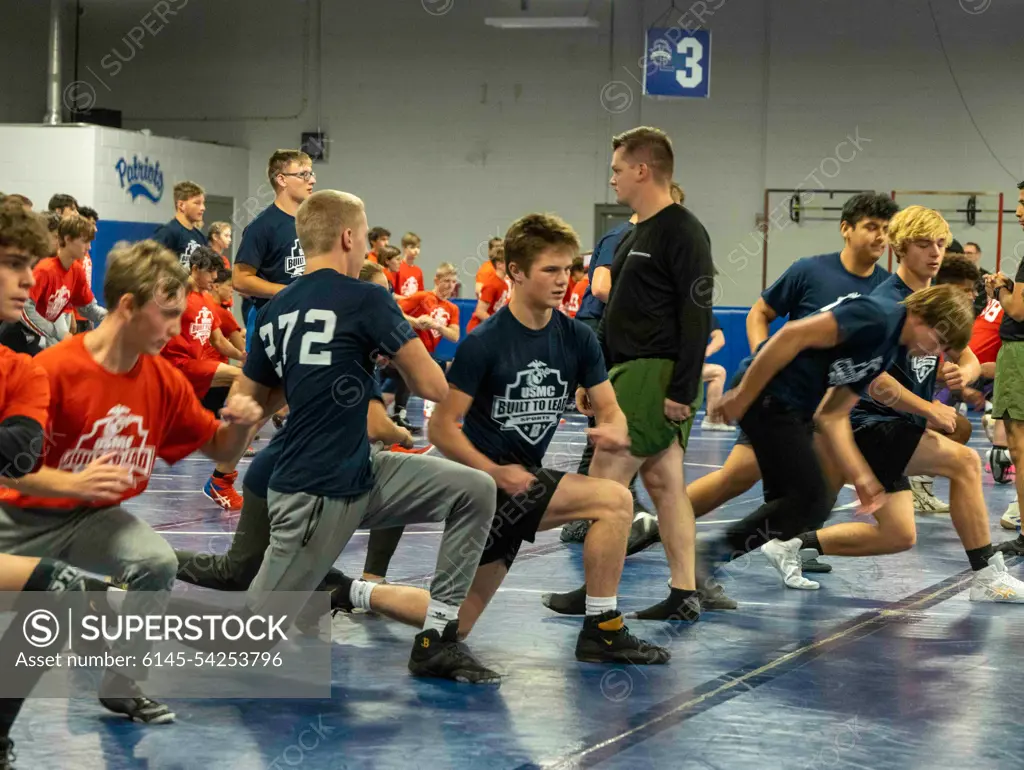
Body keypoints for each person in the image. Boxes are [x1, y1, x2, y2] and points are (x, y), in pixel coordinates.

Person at [233, 189, 500, 683]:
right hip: (318, 493)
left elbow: (247, 406)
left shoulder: (275, 311)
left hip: (351, 473)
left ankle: (436, 640)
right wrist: (396, 348)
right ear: (349, 236)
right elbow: (433, 386)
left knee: (475, 489)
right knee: (247, 644)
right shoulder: (368, 298)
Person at [0, 238, 262, 725]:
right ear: (127, 306)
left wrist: (245, 423)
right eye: (166, 314)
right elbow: (10, 468)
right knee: (48, 610)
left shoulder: (163, 382)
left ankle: (121, 681)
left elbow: (223, 452)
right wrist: (73, 484)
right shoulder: (53, 370)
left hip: (89, 519)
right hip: (16, 512)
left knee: (155, 561)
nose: (176, 327)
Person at [426, 212, 668, 663]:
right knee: (614, 501)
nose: (564, 281)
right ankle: (602, 631)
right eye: (550, 270)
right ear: (515, 272)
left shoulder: (577, 338)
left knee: (452, 626)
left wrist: (612, 432)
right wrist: (494, 472)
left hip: (523, 486)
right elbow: (440, 427)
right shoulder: (485, 342)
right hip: (483, 489)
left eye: (569, 270)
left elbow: (611, 410)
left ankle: (352, 592)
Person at [758, 213, 1022, 600]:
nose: (934, 253)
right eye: (923, 244)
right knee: (964, 463)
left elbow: (965, 353)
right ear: (899, 248)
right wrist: (930, 409)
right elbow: (875, 380)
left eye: (938, 244)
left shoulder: (934, 301)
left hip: (895, 423)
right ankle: (987, 576)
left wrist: (962, 375)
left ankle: (790, 546)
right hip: (867, 419)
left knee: (898, 534)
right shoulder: (884, 302)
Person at [680, 192, 900, 573]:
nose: (880, 237)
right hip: (779, 395)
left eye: (886, 230)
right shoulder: (810, 270)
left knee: (816, 488)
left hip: (822, 403)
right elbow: (761, 313)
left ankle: (791, 546)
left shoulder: (886, 290)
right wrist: (763, 361)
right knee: (737, 477)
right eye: (870, 227)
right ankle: (659, 528)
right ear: (845, 229)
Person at [713, 283, 974, 580]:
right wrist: (745, 393)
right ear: (919, 314)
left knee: (803, 506)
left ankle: (703, 562)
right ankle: (704, 560)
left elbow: (833, 414)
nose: (936, 352)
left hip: (793, 405)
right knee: (805, 500)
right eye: (938, 340)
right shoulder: (876, 316)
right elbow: (790, 335)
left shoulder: (888, 348)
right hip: (767, 393)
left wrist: (862, 477)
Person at [161, 246, 248, 508]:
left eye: (216, 273)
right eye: (210, 272)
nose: (214, 278)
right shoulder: (176, 293)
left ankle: (220, 431)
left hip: (195, 366)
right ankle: (225, 433)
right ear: (195, 269)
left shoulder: (208, 301)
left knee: (244, 375)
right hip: (176, 365)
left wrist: (243, 356)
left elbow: (219, 341)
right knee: (240, 379)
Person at [233, 149, 315, 352]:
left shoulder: (312, 223)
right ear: (282, 179)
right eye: (303, 174)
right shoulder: (262, 226)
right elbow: (240, 279)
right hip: (271, 321)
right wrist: (286, 291)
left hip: (305, 319)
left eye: (312, 173)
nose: (311, 180)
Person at [990, 180, 1024, 557]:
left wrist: (1001, 289)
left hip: (1020, 355)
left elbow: (1018, 311)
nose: (1018, 211)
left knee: (1020, 447)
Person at [20, 215, 106, 350]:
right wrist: (55, 331)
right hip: (20, 336)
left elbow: (87, 308)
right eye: (85, 241)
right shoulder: (45, 269)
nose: (89, 247)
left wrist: (110, 316)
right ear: (67, 239)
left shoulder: (76, 270)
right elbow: (25, 308)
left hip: (40, 336)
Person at [152, 182, 208, 269]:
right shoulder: (167, 232)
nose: (203, 208)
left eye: (203, 203)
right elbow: (154, 266)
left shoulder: (201, 237)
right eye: (197, 203)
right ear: (181, 205)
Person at [699, 315, 733, 431]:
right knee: (718, 373)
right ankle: (712, 420)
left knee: (718, 372)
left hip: (686, 368)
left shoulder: (704, 313)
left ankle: (713, 419)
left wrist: (704, 353)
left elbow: (719, 339)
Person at [467, 247, 510, 332]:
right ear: (499, 264)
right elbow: (480, 312)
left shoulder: (504, 285)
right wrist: (497, 324)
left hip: (488, 328)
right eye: (508, 261)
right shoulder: (491, 284)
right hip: (478, 329)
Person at [395, 232, 424, 297]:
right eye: (412, 247)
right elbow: (391, 293)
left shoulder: (418, 271)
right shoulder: (397, 267)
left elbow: (420, 293)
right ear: (404, 248)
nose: (416, 250)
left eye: (418, 247)